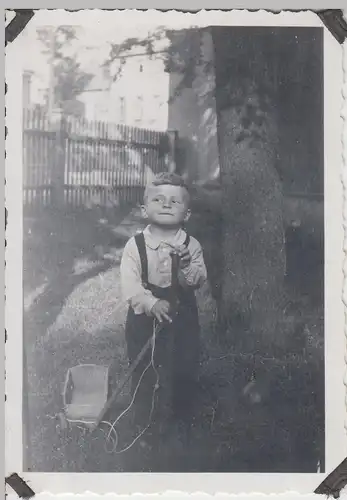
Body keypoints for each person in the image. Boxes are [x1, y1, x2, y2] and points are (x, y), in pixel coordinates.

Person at [120, 172, 207, 443]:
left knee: (183, 362)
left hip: (182, 313)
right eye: (158, 199)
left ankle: (182, 419)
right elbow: (131, 286)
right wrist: (150, 302)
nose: (167, 205)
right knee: (144, 365)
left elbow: (196, 280)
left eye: (175, 201)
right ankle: (143, 420)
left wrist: (184, 267)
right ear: (145, 209)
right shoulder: (135, 246)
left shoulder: (191, 245)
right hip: (144, 316)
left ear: (187, 213)